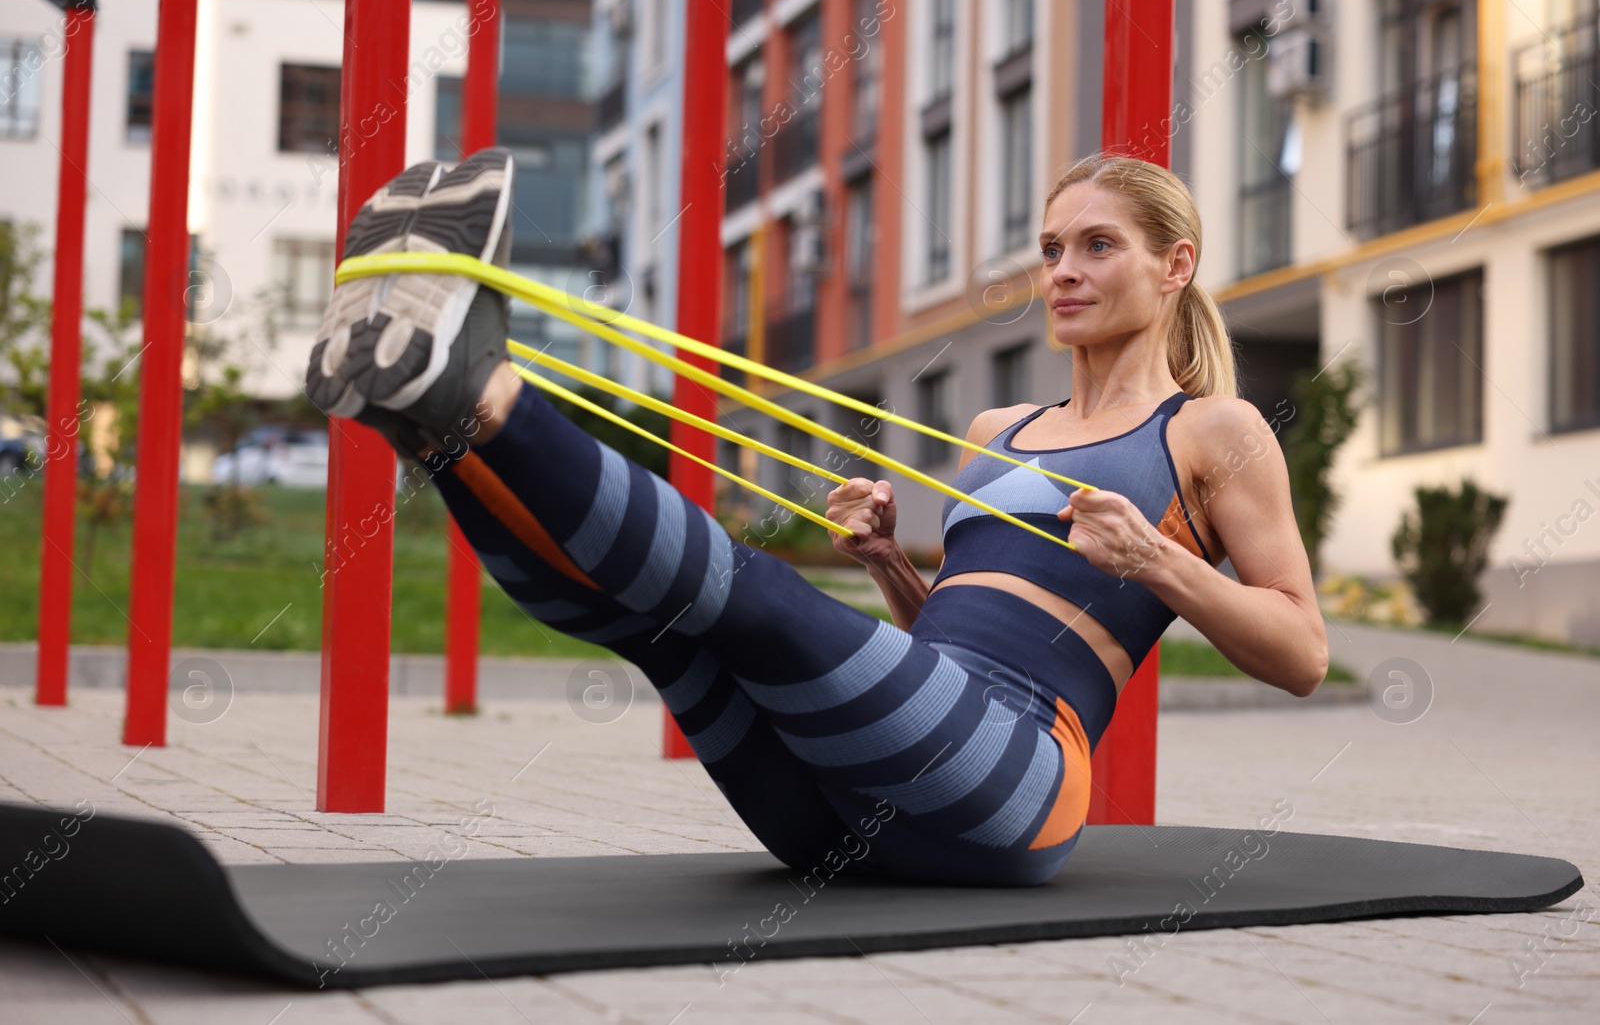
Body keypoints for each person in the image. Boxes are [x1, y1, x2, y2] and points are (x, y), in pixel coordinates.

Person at [305, 149, 1328, 888]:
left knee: (759, 603)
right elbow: (952, 638)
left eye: (1097, 246)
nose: (1062, 270)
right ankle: (422, 422)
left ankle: (483, 392)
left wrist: (1158, 560)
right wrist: (887, 563)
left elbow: (1303, 651)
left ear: (1174, 265)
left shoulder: (1212, 430)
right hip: (851, 802)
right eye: (1053, 246)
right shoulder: (998, 424)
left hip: (1018, 784)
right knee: (664, 630)